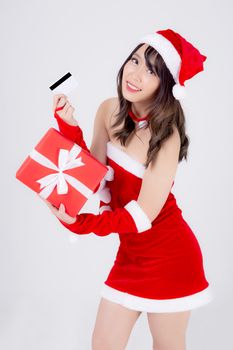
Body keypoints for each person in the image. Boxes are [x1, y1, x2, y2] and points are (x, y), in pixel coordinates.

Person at [42, 28, 214, 350]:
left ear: (166, 84)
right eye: (134, 60)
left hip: (171, 257)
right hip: (131, 255)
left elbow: (141, 216)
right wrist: (68, 124)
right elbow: (93, 175)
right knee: (103, 344)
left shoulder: (167, 137)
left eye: (151, 70)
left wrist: (83, 225)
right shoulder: (109, 110)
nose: (134, 74)